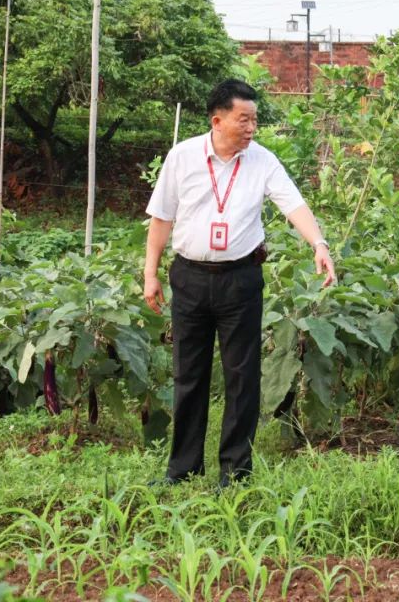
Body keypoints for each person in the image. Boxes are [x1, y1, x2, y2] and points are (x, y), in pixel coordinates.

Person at [143, 79, 336, 488]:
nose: (251, 128)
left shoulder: (262, 161)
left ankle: (235, 472)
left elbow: (292, 203)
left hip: (241, 280)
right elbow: (161, 217)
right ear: (217, 120)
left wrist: (318, 242)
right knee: (188, 375)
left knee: (242, 376)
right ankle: (182, 468)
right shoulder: (182, 158)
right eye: (243, 120)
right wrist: (151, 273)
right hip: (190, 278)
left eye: (255, 120)